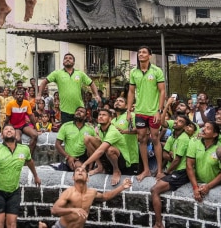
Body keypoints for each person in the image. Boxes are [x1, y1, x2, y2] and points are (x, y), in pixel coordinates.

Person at [0, 124, 41, 228]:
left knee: (12, 224)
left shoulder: (24, 149)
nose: (9, 131)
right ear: (1, 135)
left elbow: (30, 162)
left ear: (16, 135)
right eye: (6, 129)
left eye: (11, 129)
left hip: (14, 191)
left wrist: (36, 176)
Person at [42, 165, 131, 228]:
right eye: (77, 171)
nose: (80, 171)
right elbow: (54, 210)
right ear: (73, 178)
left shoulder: (92, 193)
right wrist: (73, 209)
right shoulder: (68, 193)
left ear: (87, 178)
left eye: (83, 171)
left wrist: (122, 187)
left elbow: (105, 197)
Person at [126, 46, 166, 182]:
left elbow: (162, 92)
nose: (140, 54)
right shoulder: (134, 72)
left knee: (155, 138)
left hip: (153, 112)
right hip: (140, 112)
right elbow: (131, 92)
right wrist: (128, 110)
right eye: (139, 52)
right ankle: (146, 170)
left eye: (144, 52)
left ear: (149, 55)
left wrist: (159, 111)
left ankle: (160, 171)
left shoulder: (156, 71)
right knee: (142, 139)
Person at [150, 114, 191, 228]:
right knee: (154, 189)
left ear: (185, 126)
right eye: (176, 120)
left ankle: (158, 223)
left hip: (180, 172)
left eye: (181, 121)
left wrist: (166, 172)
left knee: (155, 190)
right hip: (173, 170)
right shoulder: (172, 136)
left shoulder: (183, 138)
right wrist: (169, 158)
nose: (177, 122)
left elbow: (177, 160)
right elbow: (164, 153)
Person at [38, 53, 99, 125]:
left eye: (70, 58)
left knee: (80, 131)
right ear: (63, 62)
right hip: (65, 110)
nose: (67, 59)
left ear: (73, 62)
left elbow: (91, 83)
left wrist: (96, 95)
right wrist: (39, 95)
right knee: (67, 133)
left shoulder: (80, 73)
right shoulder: (57, 73)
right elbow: (44, 82)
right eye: (65, 58)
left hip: (79, 109)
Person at [82, 107, 134, 185]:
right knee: (87, 139)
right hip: (107, 157)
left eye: (104, 115)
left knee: (110, 150)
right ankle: (100, 166)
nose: (101, 116)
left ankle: (116, 171)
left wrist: (84, 164)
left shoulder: (113, 131)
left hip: (122, 161)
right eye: (99, 115)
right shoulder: (99, 127)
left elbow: (100, 151)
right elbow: (98, 141)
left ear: (110, 119)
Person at [185, 121, 221, 204]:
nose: (203, 130)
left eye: (208, 128)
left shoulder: (220, 148)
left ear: (215, 134)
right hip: (197, 183)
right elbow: (189, 165)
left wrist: (208, 186)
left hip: (214, 185)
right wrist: (195, 187)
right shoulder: (194, 142)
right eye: (204, 127)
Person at [54, 106, 96, 171]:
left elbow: (96, 144)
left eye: (81, 112)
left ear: (85, 117)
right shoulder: (66, 126)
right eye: (77, 111)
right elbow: (57, 144)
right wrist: (68, 157)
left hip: (87, 156)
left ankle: (91, 167)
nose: (78, 112)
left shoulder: (90, 128)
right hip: (71, 157)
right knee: (79, 168)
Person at [4, 87, 39, 155]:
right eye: (18, 94)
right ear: (15, 96)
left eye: (21, 94)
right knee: (17, 139)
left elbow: (31, 116)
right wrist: (3, 130)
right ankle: (20, 156)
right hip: (15, 127)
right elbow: (7, 119)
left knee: (35, 135)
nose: (20, 96)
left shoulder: (26, 103)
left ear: (24, 96)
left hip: (23, 125)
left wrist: (36, 128)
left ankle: (29, 155)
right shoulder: (10, 104)